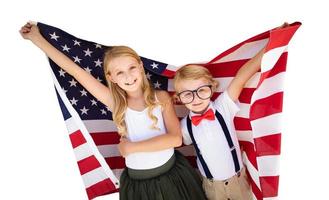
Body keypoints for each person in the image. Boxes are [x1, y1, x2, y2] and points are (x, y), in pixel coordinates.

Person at [19, 22, 207, 200]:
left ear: (141, 67)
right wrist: (37, 39)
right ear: (111, 77)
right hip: (138, 185)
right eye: (119, 72)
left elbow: (175, 139)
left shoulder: (161, 98)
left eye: (132, 67)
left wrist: (132, 148)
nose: (128, 76)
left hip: (172, 177)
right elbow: (74, 70)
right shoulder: (117, 103)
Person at [174, 23, 288, 200]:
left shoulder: (222, 107)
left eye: (202, 90)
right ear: (178, 98)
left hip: (238, 181)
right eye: (188, 94)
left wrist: (271, 44)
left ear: (212, 88)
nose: (196, 98)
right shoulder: (184, 126)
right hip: (211, 186)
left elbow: (243, 75)